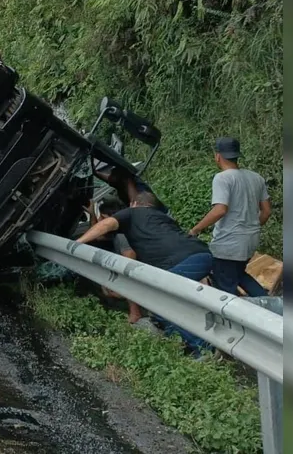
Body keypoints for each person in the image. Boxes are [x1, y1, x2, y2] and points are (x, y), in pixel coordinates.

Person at [75, 191, 213, 356]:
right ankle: (190, 343)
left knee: (158, 302)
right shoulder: (164, 218)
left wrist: (76, 244)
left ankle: (202, 349)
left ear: (134, 204)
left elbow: (105, 226)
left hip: (184, 261)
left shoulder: (132, 213)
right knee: (167, 303)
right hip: (202, 255)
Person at [189, 137, 272, 297]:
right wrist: (252, 227)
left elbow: (220, 210)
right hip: (250, 240)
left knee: (225, 285)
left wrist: (195, 229)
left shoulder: (223, 178)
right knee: (238, 275)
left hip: (229, 244)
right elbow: (267, 211)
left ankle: (231, 318)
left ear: (217, 156)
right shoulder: (256, 178)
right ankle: (268, 304)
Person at [85, 197, 144, 323]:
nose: (100, 222)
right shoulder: (124, 224)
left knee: (110, 287)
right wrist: (92, 214)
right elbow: (99, 236)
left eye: (102, 218)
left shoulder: (123, 236)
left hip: (144, 273)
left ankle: (136, 311)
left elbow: (129, 270)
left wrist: (133, 310)